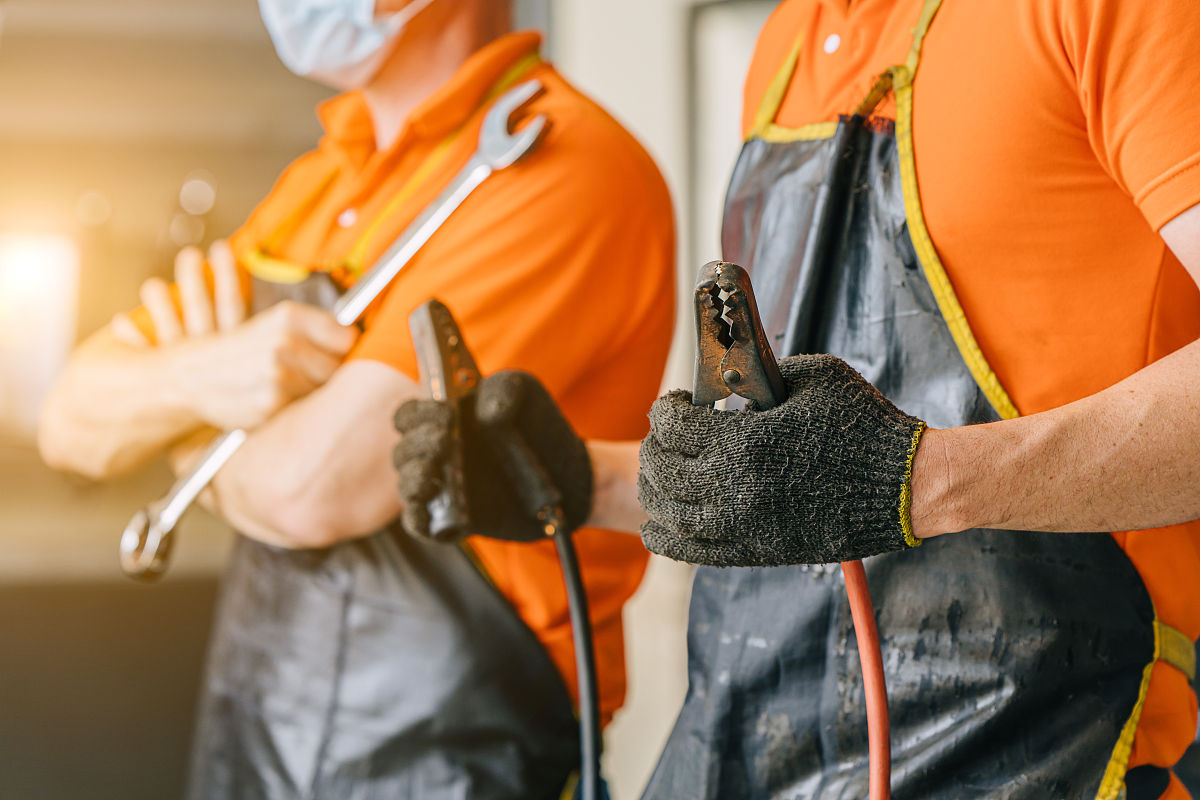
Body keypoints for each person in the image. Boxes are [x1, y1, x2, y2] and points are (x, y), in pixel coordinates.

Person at [395, 0, 1200, 797]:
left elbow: (872, 474)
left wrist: (926, 479)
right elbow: (803, 469)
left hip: (1069, 744)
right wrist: (582, 482)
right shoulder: (788, 45)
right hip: (753, 746)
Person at [37, 0, 675, 797]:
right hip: (255, 743)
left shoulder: (562, 164)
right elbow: (68, 419)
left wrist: (179, 429)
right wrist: (207, 378)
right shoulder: (320, 179)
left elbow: (312, 491)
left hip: (459, 761)